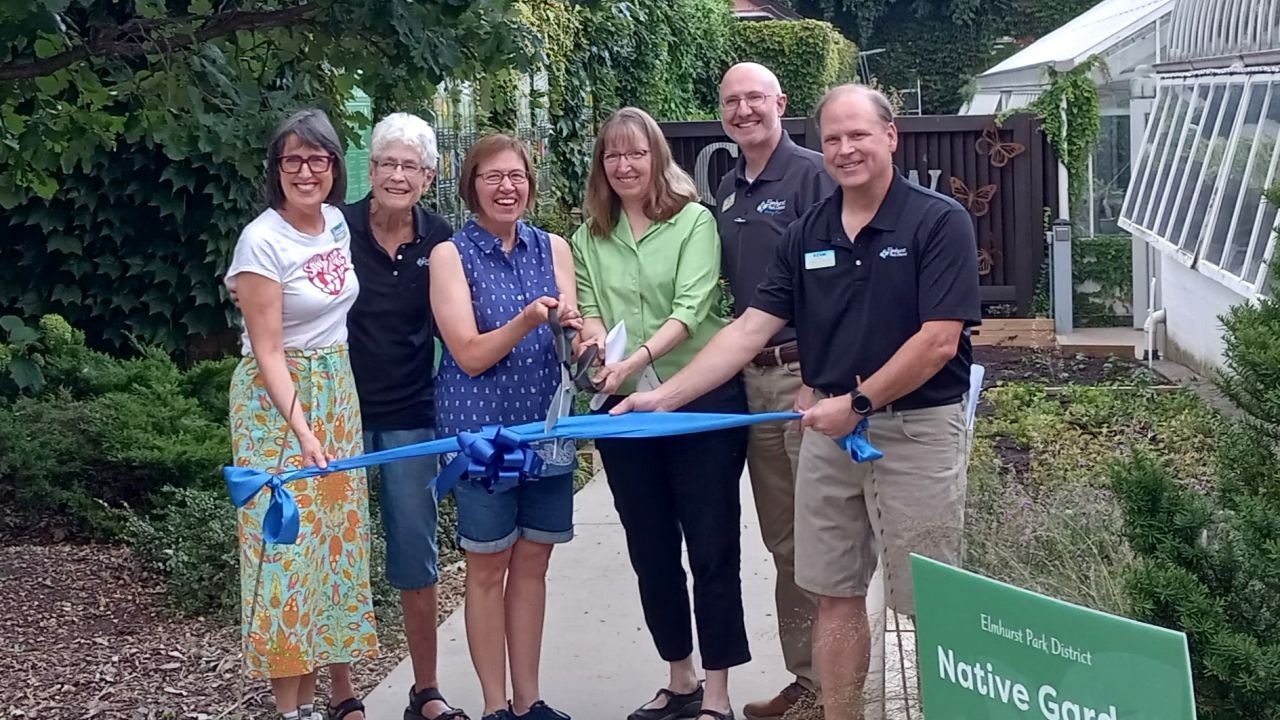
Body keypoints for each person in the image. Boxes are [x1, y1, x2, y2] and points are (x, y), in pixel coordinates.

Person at [613, 85, 981, 720]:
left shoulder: (938, 219)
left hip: (914, 429)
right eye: (833, 138)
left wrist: (858, 403)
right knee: (832, 593)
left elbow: (938, 342)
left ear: (890, 137)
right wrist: (665, 398)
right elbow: (748, 329)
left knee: (926, 598)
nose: (845, 149)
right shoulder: (808, 232)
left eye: (859, 135)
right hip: (829, 432)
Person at [571, 107, 750, 720]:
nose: (624, 165)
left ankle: (719, 693)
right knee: (650, 548)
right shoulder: (588, 236)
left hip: (698, 400)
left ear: (657, 158)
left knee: (712, 546)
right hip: (623, 412)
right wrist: (598, 351)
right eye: (613, 156)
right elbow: (590, 307)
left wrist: (638, 360)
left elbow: (692, 307)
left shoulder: (695, 221)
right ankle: (680, 677)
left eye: (636, 153)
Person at [225, 108, 376, 720]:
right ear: (276, 169)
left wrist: (327, 420)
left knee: (332, 550)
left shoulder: (337, 225)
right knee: (283, 549)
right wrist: (303, 430)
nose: (306, 171)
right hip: (277, 404)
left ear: (336, 166)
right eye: (292, 160)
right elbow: (267, 351)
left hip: (337, 389)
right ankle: (288, 710)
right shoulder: (261, 239)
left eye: (318, 159)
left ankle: (313, 704)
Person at [429, 134, 579, 720]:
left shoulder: (554, 248)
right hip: (482, 435)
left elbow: (567, 336)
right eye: (492, 176)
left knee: (535, 563)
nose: (506, 187)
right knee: (488, 566)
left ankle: (530, 700)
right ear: (472, 187)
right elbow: (466, 353)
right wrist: (526, 320)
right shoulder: (450, 255)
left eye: (516, 176)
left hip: (547, 427)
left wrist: (579, 335)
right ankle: (495, 706)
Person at [713, 62, 836, 720]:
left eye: (755, 97)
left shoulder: (815, 175)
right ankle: (807, 679)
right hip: (753, 383)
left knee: (823, 537)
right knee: (784, 543)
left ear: (781, 102)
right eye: (732, 101)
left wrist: (821, 374)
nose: (744, 109)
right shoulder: (729, 189)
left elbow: (840, 281)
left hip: (802, 380)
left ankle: (832, 687)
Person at [342, 113, 467, 720]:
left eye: (409, 165)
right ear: (372, 167)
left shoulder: (441, 239)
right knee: (337, 551)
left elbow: (463, 325)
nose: (396, 175)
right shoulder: (335, 229)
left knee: (416, 553)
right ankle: (342, 694)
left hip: (413, 414)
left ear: (429, 175)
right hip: (339, 415)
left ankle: (426, 690)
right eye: (386, 163)